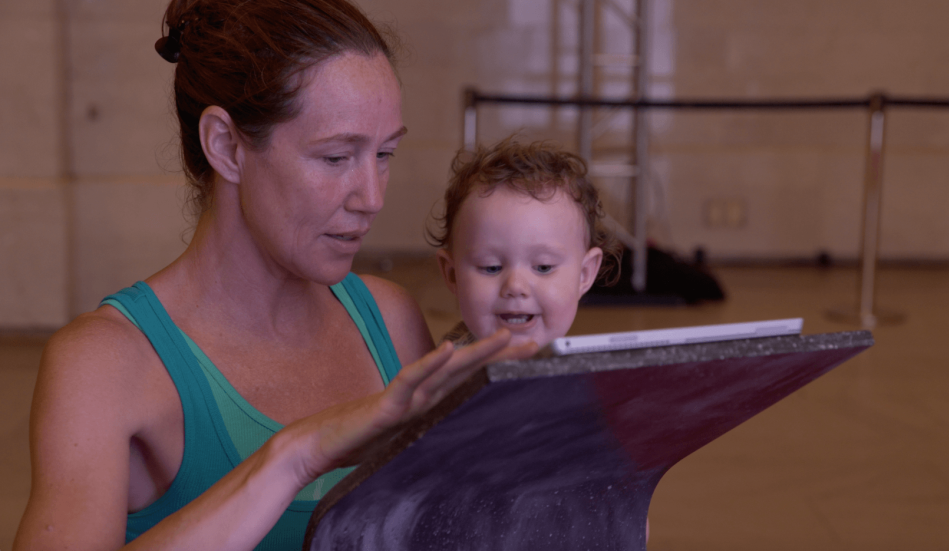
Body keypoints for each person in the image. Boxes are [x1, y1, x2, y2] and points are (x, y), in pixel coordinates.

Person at [13, 1, 535, 549]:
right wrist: (293, 458)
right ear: (226, 146)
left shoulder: (390, 320)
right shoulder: (105, 364)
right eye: (336, 158)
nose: (372, 197)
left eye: (384, 154)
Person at [430, 138, 621, 349]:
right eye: (491, 267)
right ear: (452, 274)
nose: (515, 286)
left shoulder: (592, 363)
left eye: (543, 267)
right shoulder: (452, 366)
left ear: (584, 274)